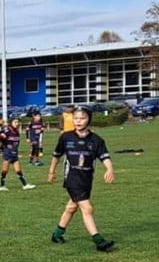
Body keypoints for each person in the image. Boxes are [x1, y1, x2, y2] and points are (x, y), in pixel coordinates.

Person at [47, 107, 116, 252]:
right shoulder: (66, 137)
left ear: (89, 120)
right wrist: (51, 171)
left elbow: (104, 157)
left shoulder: (96, 140)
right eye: (76, 118)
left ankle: (57, 234)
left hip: (86, 179)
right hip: (72, 178)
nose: (78, 121)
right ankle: (99, 241)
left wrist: (109, 169)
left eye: (82, 118)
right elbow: (56, 155)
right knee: (87, 208)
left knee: (72, 207)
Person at [0, 118, 36, 191]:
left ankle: (25, 185)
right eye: (15, 122)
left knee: (18, 170)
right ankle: (2, 186)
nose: (17, 123)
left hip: (14, 153)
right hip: (7, 153)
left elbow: (16, 143)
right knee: (5, 171)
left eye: (18, 122)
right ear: (11, 123)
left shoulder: (16, 132)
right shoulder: (7, 131)